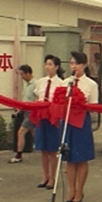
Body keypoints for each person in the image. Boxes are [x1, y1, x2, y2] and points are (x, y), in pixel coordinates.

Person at [65, 51, 98, 202]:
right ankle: (71, 189)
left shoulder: (91, 84)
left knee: (81, 157)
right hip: (68, 121)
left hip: (82, 122)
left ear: (84, 65)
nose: (74, 67)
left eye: (77, 63)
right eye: (72, 63)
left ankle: (80, 190)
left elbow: (94, 106)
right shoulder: (66, 82)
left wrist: (80, 103)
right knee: (70, 158)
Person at [33, 56, 65, 189]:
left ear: (56, 67)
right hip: (42, 116)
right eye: (46, 64)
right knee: (43, 148)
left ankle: (53, 177)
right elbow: (37, 96)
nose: (47, 67)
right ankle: (45, 176)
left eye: (50, 64)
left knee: (52, 149)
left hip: (53, 118)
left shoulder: (61, 83)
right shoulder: (41, 82)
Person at [9, 64, 37, 163]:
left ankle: (18, 155)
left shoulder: (36, 84)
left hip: (32, 111)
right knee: (34, 132)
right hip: (25, 111)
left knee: (21, 132)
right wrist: (19, 110)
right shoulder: (26, 84)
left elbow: (37, 99)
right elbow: (25, 99)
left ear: (28, 73)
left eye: (22, 74)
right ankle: (43, 148)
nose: (21, 77)